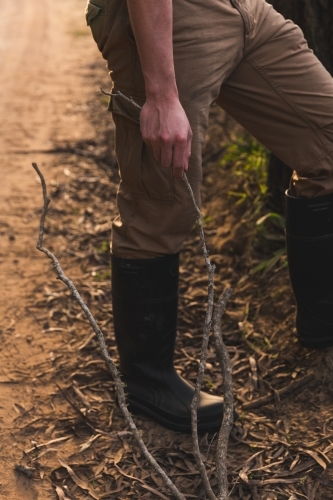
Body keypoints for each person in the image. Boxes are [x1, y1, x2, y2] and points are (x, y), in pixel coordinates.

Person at [85, 0, 333, 433]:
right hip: (169, 19)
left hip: (245, 11)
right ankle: (147, 383)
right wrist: (161, 94)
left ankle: (323, 322)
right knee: (162, 204)